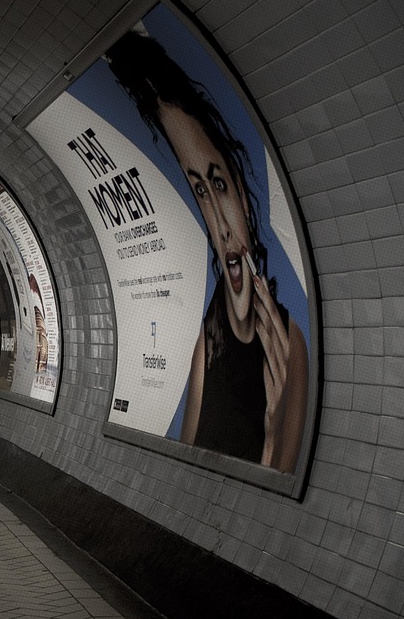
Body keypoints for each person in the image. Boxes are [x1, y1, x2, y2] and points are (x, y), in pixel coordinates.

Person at [108, 30, 307, 472]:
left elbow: (282, 492)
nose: (218, 222)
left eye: (219, 184)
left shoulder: (289, 348)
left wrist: (272, 434)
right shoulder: (208, 343)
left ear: (242, 192)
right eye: (200, 189)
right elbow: (189, 469)